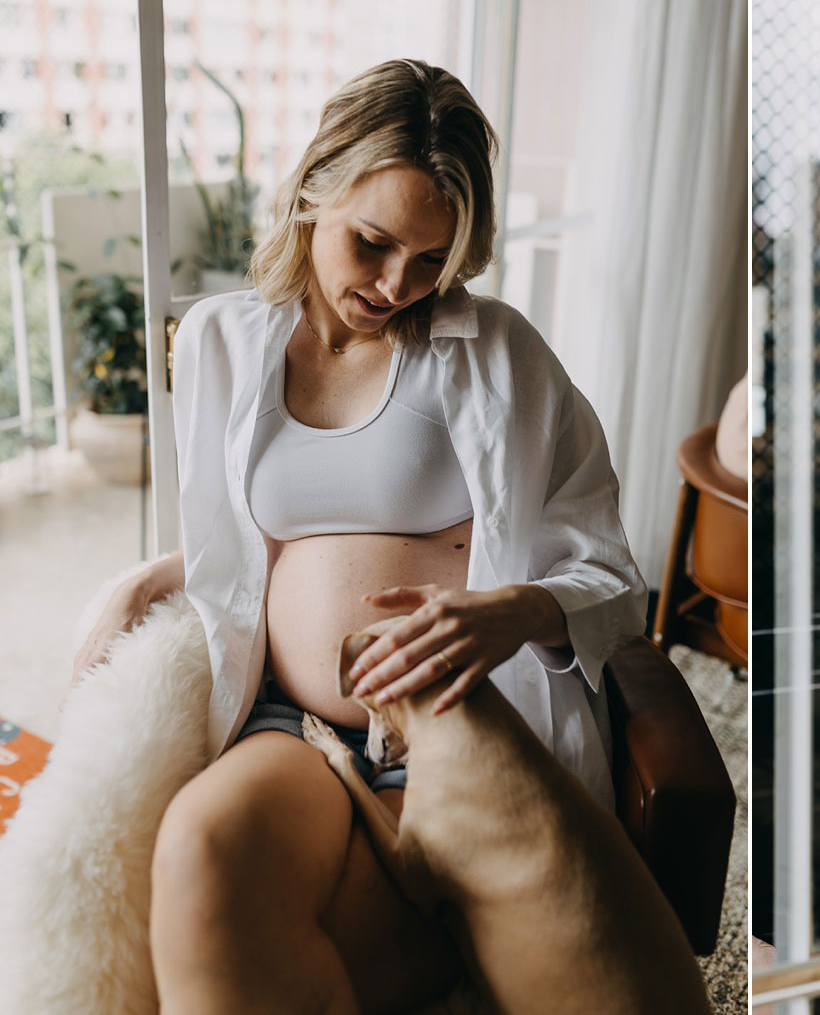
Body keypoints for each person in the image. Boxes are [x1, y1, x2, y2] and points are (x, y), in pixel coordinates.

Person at [71, 59, 648, 1014]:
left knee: (311, 947)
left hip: (456, 732)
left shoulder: (500, 355)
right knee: (199, 852)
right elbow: (262, 543)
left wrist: (515, 613)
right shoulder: (221, 340)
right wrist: (153, 579)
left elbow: (613, 578)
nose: (396, 286)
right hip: (290, 724)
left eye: (432, 260)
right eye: (373, 243)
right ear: (312, 194)